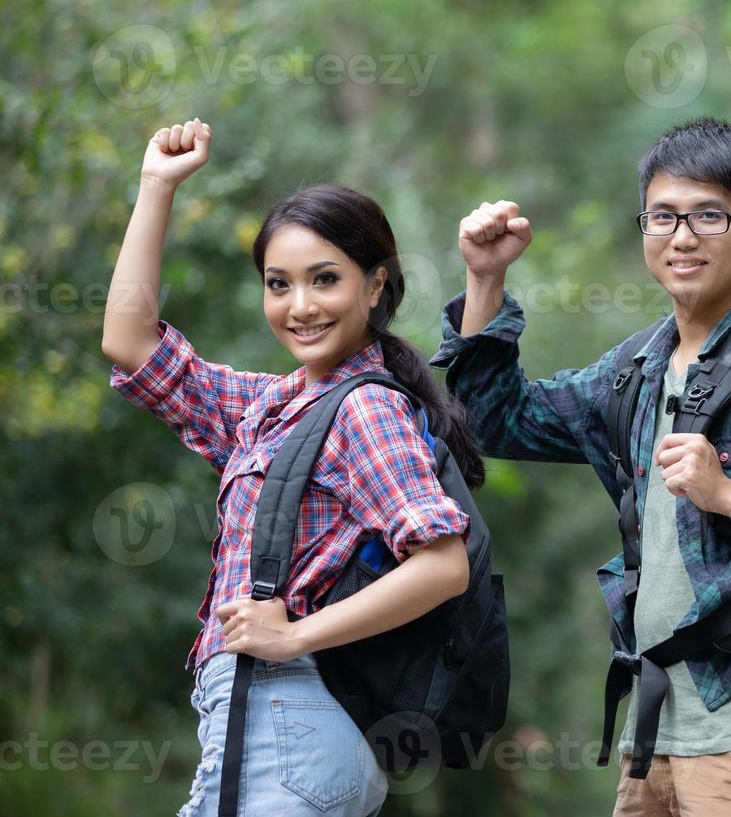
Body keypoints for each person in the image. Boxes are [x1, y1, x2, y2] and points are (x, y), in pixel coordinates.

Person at [431, 117, 731, 816]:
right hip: (654, 737)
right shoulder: (637, 368)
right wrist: (485, 281)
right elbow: (491, 422)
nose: (682, 236)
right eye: (662, 216)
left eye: (708, 216)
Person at [102, 118, 476, 816]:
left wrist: (293, 634)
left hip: (291, 722)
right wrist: (156, 185)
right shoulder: (272, 408)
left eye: (325, 280)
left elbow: (443, 564)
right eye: (280, 284)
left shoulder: (364, 410)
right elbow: (130, 342)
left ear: (375, 286)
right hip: (257, 722)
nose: (299, 306)